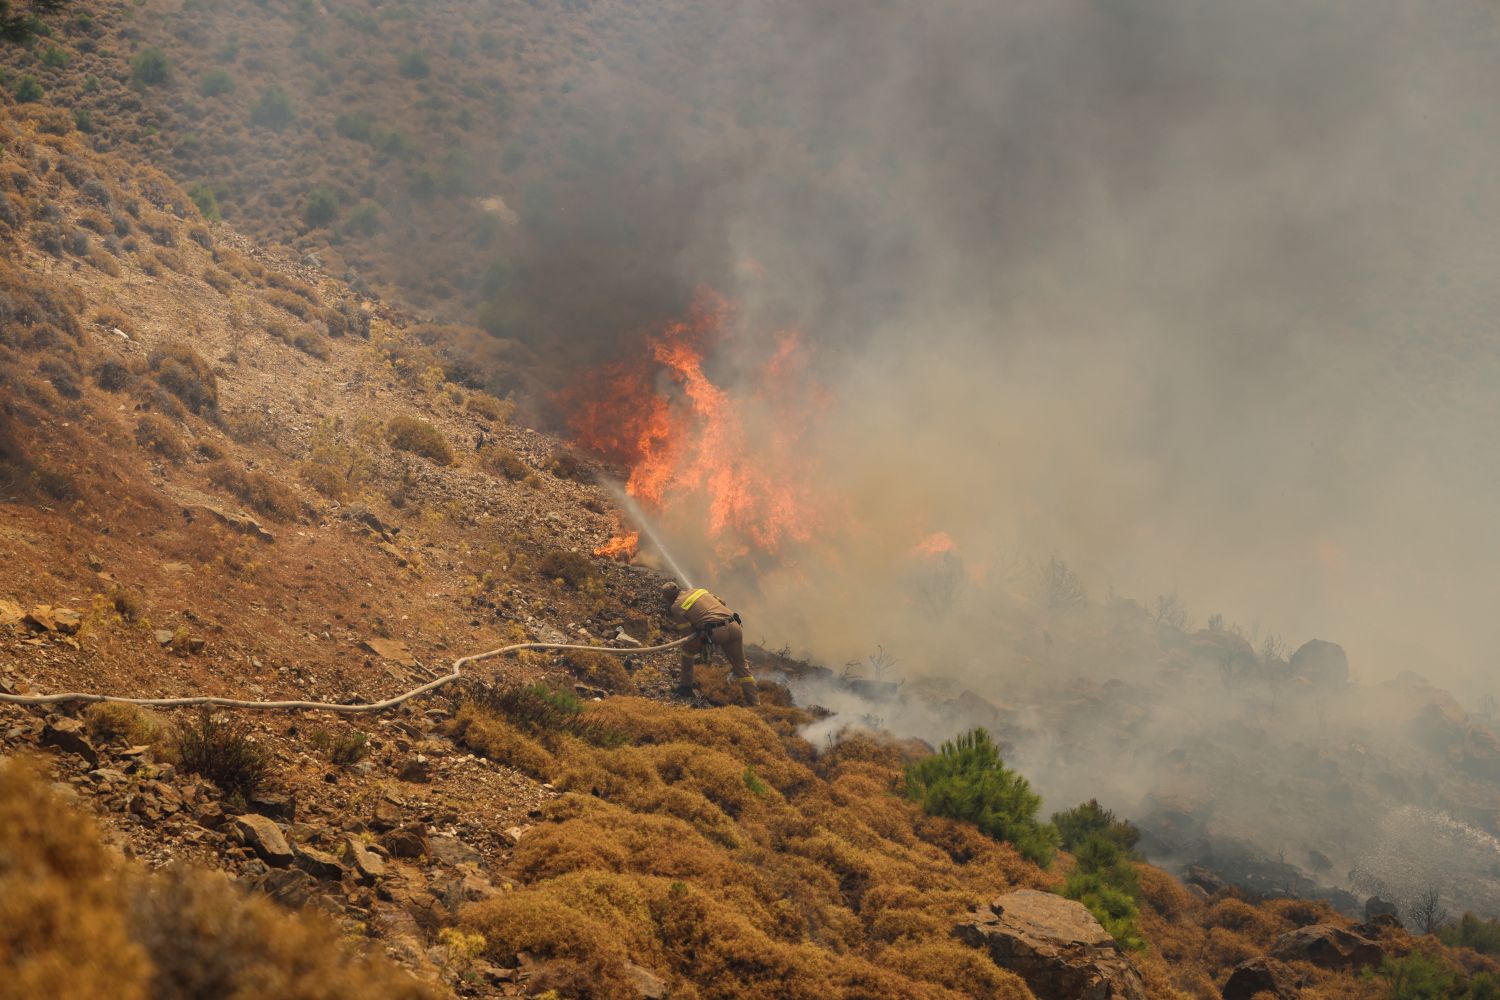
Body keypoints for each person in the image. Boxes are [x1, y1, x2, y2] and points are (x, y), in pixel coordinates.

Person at [661, 581, 759, 706]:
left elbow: (687, 633)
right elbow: (722, 602)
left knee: (687, 650)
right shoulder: (698, 590)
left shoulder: (676, 606)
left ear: (668, 598)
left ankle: (686, 687)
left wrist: (700, 641)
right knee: (741, 666)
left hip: (716, 631)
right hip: (734, 625)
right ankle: (755, 703)